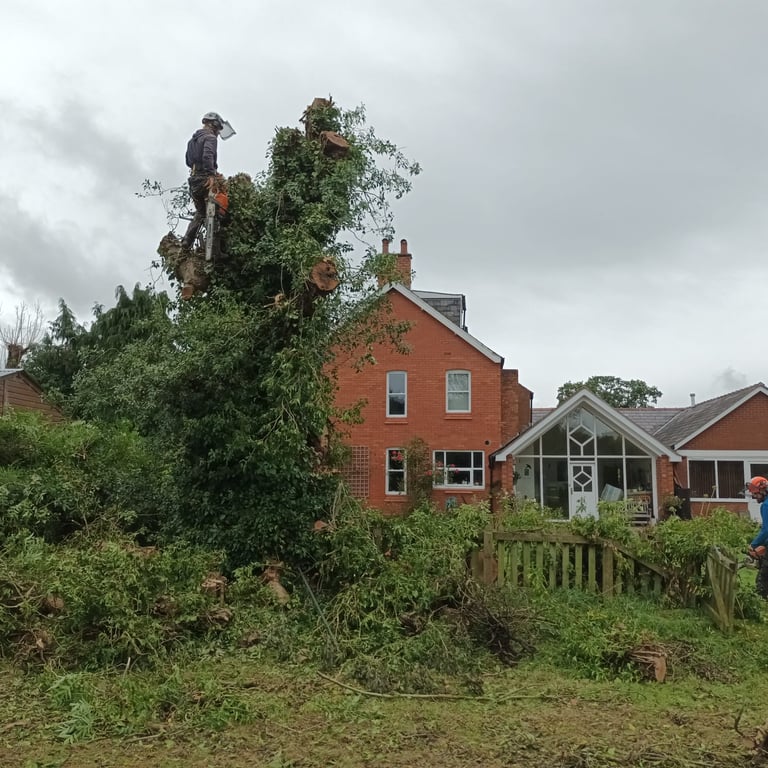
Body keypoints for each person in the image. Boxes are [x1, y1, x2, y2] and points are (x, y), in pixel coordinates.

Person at [181, 111, 236, 249]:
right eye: (218, 129)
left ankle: (187, 241)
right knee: (219, 206)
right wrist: (211, 175)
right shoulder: (210, 138)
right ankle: (216, 249)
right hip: (205, 178)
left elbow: (188, 161)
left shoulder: (192, 140)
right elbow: (208, 156)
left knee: (200, 212)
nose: (218, 132)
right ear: (215, 124)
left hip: (194, 180)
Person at [747, 475, 768, 598]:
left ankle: (762, 603)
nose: (754, 497)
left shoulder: (765, 505)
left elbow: (766, 529)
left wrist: (753, 544)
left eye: (755, 494)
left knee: (763, 579)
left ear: (763, 491)